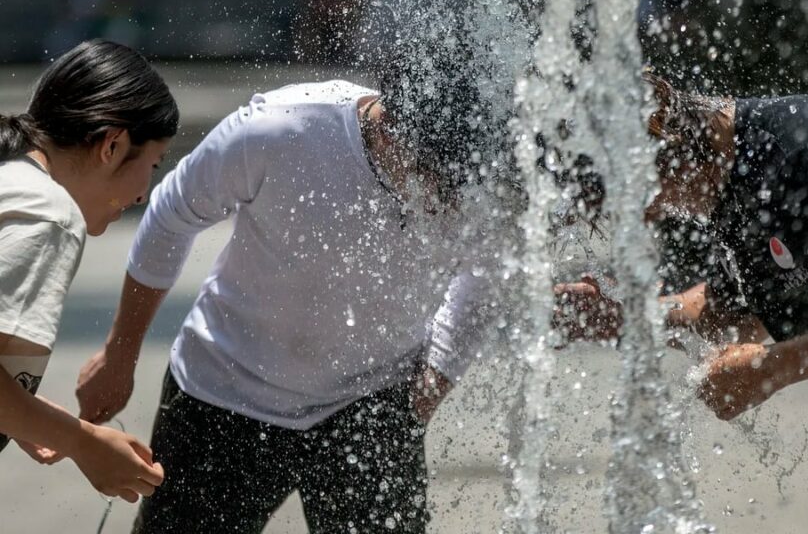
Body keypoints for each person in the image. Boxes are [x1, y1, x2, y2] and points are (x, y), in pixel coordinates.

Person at [74, 43, 502, 531]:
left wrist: (434, 379)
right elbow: (172, 215)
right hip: (223, 390)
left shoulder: (479, 168)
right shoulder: (282, 130)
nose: (445, 203)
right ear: (389, 127)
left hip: (371, 402)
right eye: (433, 181)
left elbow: (489, 273)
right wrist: (121, 351)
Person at [555, 73, 808, 532]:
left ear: (661, 130)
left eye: (643, 198)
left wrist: (768, 370)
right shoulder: (734, 198)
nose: (654, 214)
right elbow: (731, 315)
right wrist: (630, 314)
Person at [0, 39, 178, 502]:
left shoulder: (13, 181)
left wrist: (24, 415)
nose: (143, 195)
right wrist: (84, 443)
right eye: (153, 165)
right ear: (113, 145)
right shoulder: (49, 215)